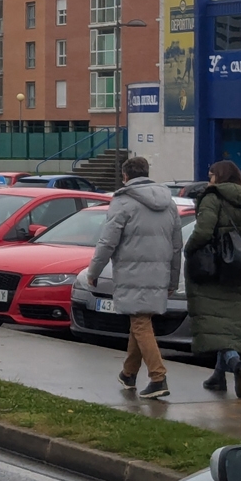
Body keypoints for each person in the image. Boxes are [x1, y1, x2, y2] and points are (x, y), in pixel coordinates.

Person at [85, 156, 183, 399]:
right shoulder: (169, 203)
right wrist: (172, 280)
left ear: (125, 176)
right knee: (139, 322)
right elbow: (176, 246)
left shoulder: (123, 202)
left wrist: (93, 272)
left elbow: (107, 241)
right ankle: (128, 373)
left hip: (132, 273)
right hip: (158, 273)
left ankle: (158, 377)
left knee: (140, 322)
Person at [184, 160, 241, 398]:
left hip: (215, 274)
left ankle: (235, 364)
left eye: (211, 175)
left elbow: (203, 231)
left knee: (215, 325)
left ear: (219, 177)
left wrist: (189, 249)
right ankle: (218, 377)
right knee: (231, 325)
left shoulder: (212, 198)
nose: (208, 179)